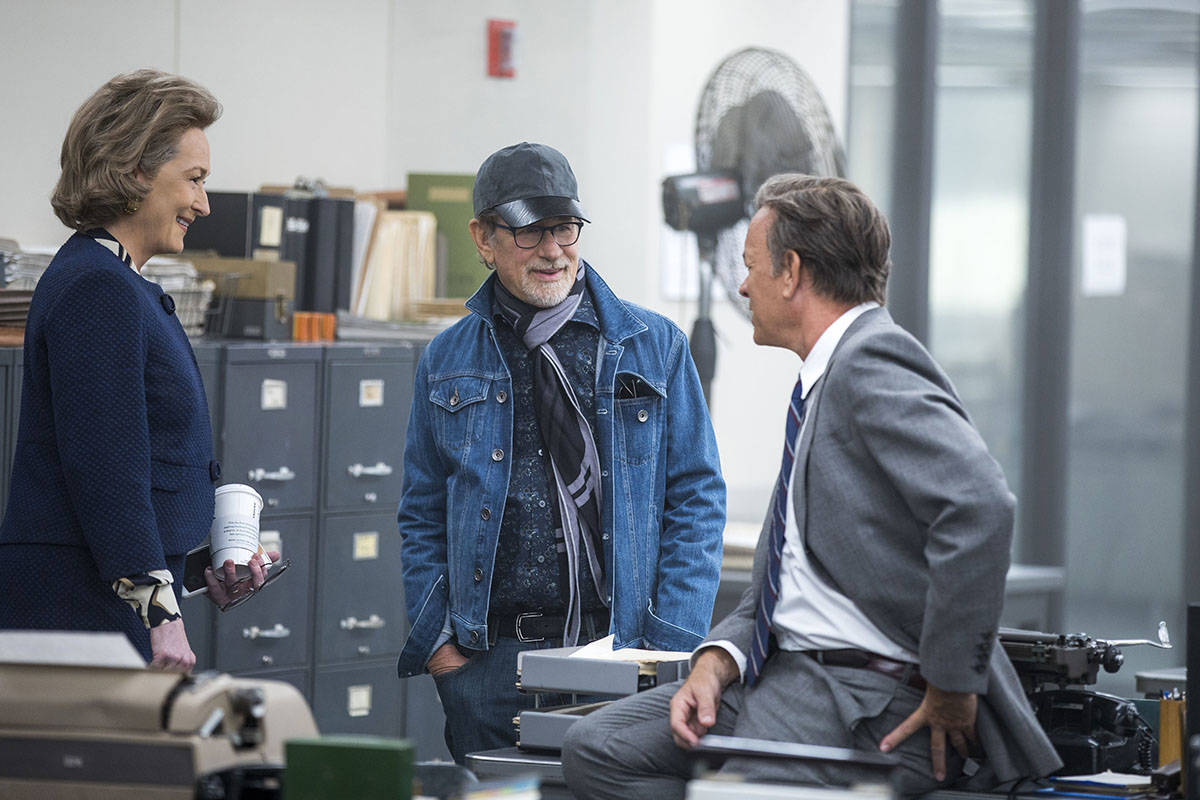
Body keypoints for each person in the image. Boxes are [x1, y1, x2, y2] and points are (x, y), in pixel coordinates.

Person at [561, 174, 1062, 797]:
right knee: (592, 750)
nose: (742, 286)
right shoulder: (820, 380)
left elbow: (981, 507)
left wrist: (953, 683)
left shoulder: (870, 361)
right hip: (781, 677)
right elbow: (785, 572)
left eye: (751, 267)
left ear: (791, 271)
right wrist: (717, 662)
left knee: (734, 790)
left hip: (857, 699)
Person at [396, 142, 726, 763]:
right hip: (490, 666)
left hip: (623, 653)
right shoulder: (447, 359)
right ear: (483, 237)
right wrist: (443, 653)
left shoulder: (653, 347)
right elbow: (421, 512)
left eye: (566, 229)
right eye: (529, 232)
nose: (553, 250)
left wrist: (669, 643)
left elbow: (696, 500)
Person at [0, 69, 270, 671]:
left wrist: (196, 573)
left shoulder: (113, 279)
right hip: (75, 608)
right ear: (136, 170)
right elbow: (105, 471)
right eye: (194, 180)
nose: (203, 204)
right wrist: (162, 614)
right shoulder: (99, 286)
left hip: (96, 593)